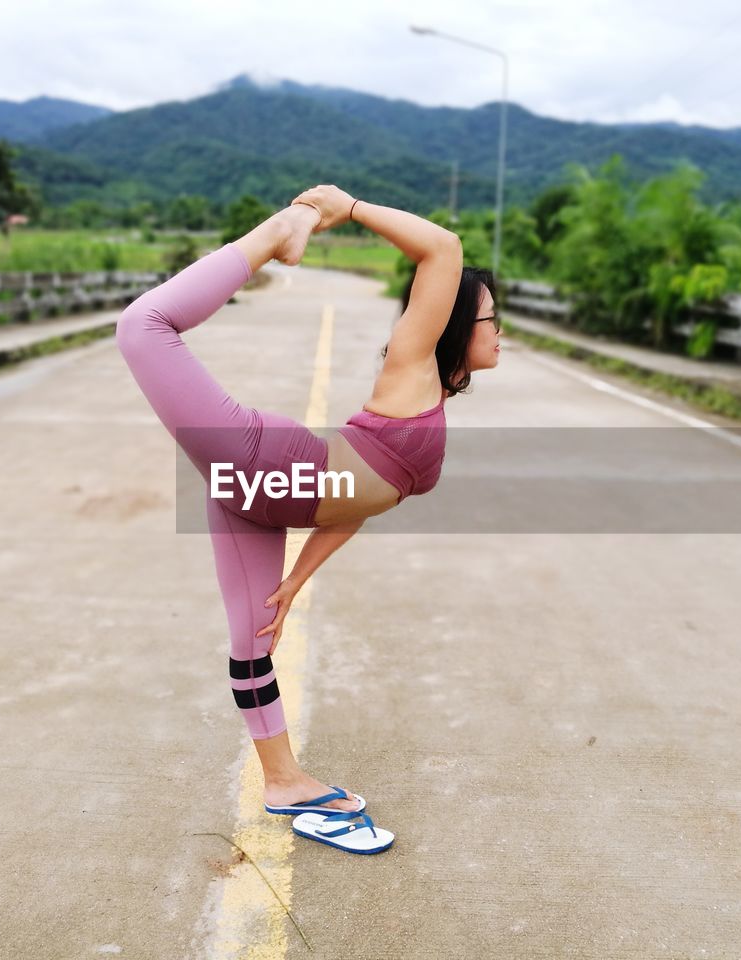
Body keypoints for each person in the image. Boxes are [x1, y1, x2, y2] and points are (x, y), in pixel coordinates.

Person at [114, 185, 500, 845]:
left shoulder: (428, 400)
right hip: (271, 465)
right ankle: (275, 235)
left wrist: (297, 577)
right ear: (458, 324)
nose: (501, 333)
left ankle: (286, 782)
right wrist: (343, 208)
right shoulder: (413, 362)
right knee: (143, 327)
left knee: (254, 642)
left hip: (261, 499)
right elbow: (444, 248)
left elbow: (360, 501)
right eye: (495, 319)